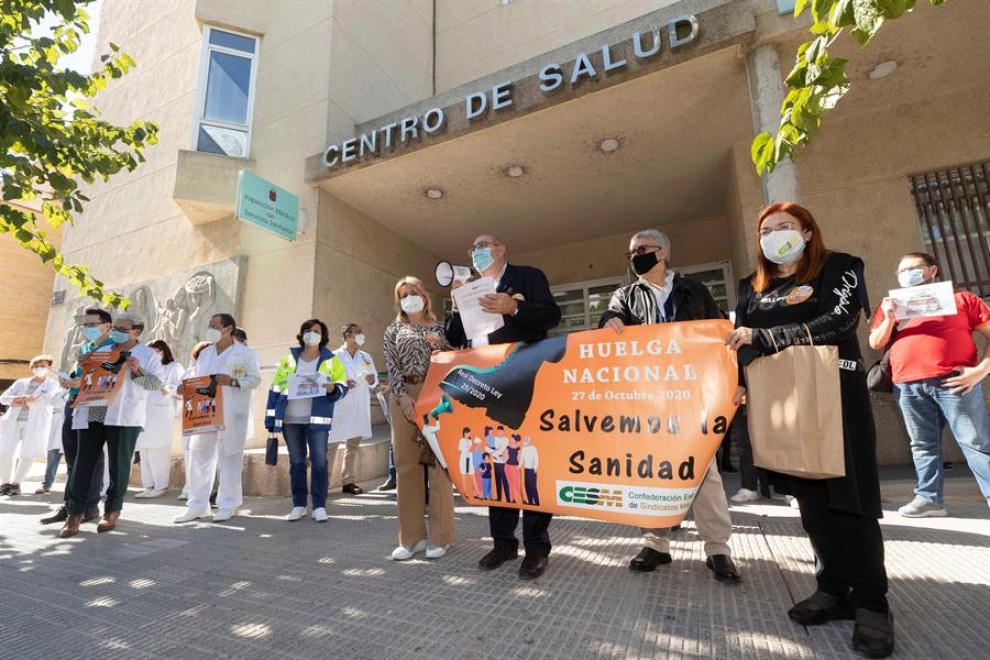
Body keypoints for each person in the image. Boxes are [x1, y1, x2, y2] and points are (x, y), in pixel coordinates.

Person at [726, 202, 893, 658]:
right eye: (766, 229)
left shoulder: (838, 267)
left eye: (785, 227)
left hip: (835, 395)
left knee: (850, 500)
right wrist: (737, 381)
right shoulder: (751, 287)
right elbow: (740, 342)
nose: (775, 235)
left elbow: (840, 321)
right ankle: (833, 589)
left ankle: (873, 604)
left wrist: (768, 338)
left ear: (806, 230)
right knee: (811, 501)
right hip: (780, 403)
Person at [598, 228, 741, 584]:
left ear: (662, 252)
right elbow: (610, 315)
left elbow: (720, 336)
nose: (634, 258)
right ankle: (655, 543)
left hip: (693, 396)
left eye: (640, 250)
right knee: (649, 470)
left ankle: (717, 549)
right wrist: (608, 321)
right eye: (629, 254)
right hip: (648, 399)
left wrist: (735, 382)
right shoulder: (626, 295)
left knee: (704, 470)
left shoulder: (695, 290)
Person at [446, 233, 561, 580]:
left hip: (522, 382)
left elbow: (550, 317)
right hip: (484, 385)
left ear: (501, 250)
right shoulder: (468, 289)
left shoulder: (527, 276)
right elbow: (455, 338)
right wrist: (455, 307)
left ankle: (536, 548)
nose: (477, 251)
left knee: (528, 465)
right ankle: (503, 543)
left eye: (484, 245)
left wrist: (515, 307)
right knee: (495, 465)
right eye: (473, 248)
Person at [868, 252, 990, 516]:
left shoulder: (963, 299)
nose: (905, 275)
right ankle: (929, 499)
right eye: (900, 271)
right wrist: (889, 317)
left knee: (976, 443)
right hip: (907, 384)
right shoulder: (891, 305)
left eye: (912, 268)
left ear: (932, 270)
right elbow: (876, 343)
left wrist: (979, 371)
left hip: (956, 382)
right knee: (922, 444)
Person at [59, 312, 164, 537]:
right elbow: (89, 378)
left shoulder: (146, 354)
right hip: (93, 411)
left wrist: (137, 370)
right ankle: (74, 514)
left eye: (122, 329)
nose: (115, 331)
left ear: (136, 331)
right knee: (82, 464)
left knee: (119, 466)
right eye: (115, 327)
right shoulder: (100, 349)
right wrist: (76, 379)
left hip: (123, 416)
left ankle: (112, 511)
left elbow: (156, 384)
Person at [383, 276, 456, 560]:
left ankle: (442, 536)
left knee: (439, 465)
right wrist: (402, 397)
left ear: (424, 295)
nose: (409, 297)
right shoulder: (393, 329)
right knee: (406, 464)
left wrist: (441, 346)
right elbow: (391, 366)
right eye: (403, 294)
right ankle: (411, 538)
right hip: (405, 394)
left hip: (436, 392)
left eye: (413, 292)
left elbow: (454, 357)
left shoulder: (440, 326)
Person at [174, 313, 260, 523]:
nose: (210, 329)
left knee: (230, 458)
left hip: (232, 413)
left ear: (229, 328)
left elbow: (255, 379)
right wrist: (184, 388)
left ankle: (228, 505)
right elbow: (197, 378)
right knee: (199, 458)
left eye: (214, 325)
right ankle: (197, 505)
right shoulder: (205, 354)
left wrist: (233, 381)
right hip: (205, 413)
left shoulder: (246, 353)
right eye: (209, 325)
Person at [265, 319, 348, 522]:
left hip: (317, 420)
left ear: (323, 335)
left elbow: (342, 385)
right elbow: (275, 389)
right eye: (308, 330)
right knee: (297, 462)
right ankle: (299, 504)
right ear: (301, 334)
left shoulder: (331, 360)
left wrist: (333, 389)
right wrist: (271, 420)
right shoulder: (289, 360)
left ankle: (319, 505)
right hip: (290, 419)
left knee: (320, 461)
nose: (312, 333)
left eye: (316, 331)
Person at [42, 308, 115, 526]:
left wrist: (82, 383)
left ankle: (89, 506)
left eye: (93, 324)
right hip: (73, 402)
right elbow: (79, 374)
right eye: (85, 324)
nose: (88, 328)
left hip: (96, 405)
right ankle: (70, 505)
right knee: (73, 457)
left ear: (107, 325)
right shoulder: (85, 347)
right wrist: (70, 380)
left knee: (91, 457)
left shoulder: (114, 349)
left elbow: (109, 379)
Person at [0, 356, 63, 496]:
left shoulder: (52, 385)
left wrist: (21, 400)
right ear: (32, 367)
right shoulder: (21, 383)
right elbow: (3, 398)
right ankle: (5, 483)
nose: (40, 368)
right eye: (37, 365)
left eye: (43, 365)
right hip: (13, 421)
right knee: (5, 452)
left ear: (49, 368)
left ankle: (16, 484)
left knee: (28, 453)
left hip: (35, 423)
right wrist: (23, 398)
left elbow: (46, 401)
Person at [328, 323, 379, 495]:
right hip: (340, 405)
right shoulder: (333, 357)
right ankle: (323, 483)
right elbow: (327, 381)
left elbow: (375, 381)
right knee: (332, 445)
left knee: (353, 444)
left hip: (359, 405)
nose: (361, 335)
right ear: (348, 336)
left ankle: (348, 481)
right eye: (358, 332)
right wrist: (341, 383)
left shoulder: (366, 357)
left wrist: (372, 380)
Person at [134, 340, 183, 498]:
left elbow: (182, 388)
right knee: (145, 449)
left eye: (154, 351)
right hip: (144, 413)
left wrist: (168, 390)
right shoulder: (146, 368)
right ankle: (148, 486)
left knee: (158, 450)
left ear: (162, 351)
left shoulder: (174, 367)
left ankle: (161, 485)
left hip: (161, 412)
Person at [37, 387, 70, 495]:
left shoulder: (76, 390)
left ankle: (71, 486)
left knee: (72, 460)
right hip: (56, 425)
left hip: (71, 424)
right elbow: (53, 402)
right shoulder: (56, 390)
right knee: (52, 456)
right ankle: (46, 484)